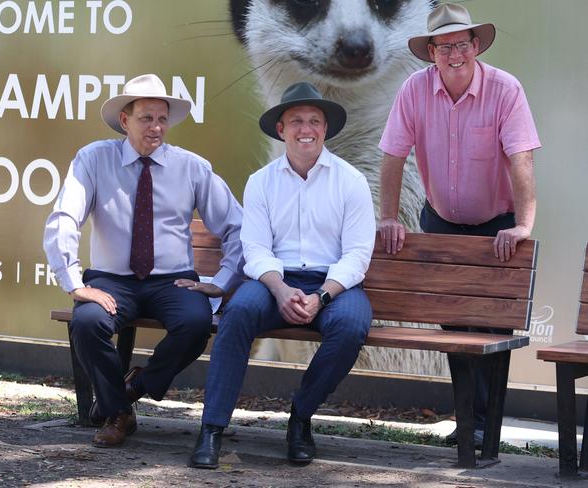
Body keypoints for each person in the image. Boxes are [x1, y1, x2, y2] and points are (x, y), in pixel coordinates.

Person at [43, 74, 244, 448]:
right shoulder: (93, 159)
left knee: (197, 322)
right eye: (146, 118)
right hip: (111, 279)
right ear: (125, 120)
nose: (156, 127)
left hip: (173, 281)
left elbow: (237, 226)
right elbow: (64, 218)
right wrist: (74, 283)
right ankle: (119, 413)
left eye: (162, 119)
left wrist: (222, 278)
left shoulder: (192, 167)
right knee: (86, 323)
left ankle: (137, 385)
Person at [378, 3, 540, 447]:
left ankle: (489, 426)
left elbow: (521, 158)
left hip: (497, 227)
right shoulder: (413, 90)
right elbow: (393, 155)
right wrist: (389, 216)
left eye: (462, 44)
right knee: (455, 328)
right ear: (431, 52)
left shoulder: (506, 89)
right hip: (442, 222)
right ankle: (470, 422)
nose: (455, 54)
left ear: (475, 46)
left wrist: (522, 225)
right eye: (445, 46)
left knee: (494, 328)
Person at [189, 82, 376, 469]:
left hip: (334, 284)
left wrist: (321, 296)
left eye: (314, 121)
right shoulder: (262, 181)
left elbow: (358, 255)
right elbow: (255, 249)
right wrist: (279, 288)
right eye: (296, 121)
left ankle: (301, 418)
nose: (305, 129)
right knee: (237, 313)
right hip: (274, 279)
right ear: (281, 129)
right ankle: (211, 429)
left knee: (353, 324)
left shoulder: (351, 182)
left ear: (325, 129)